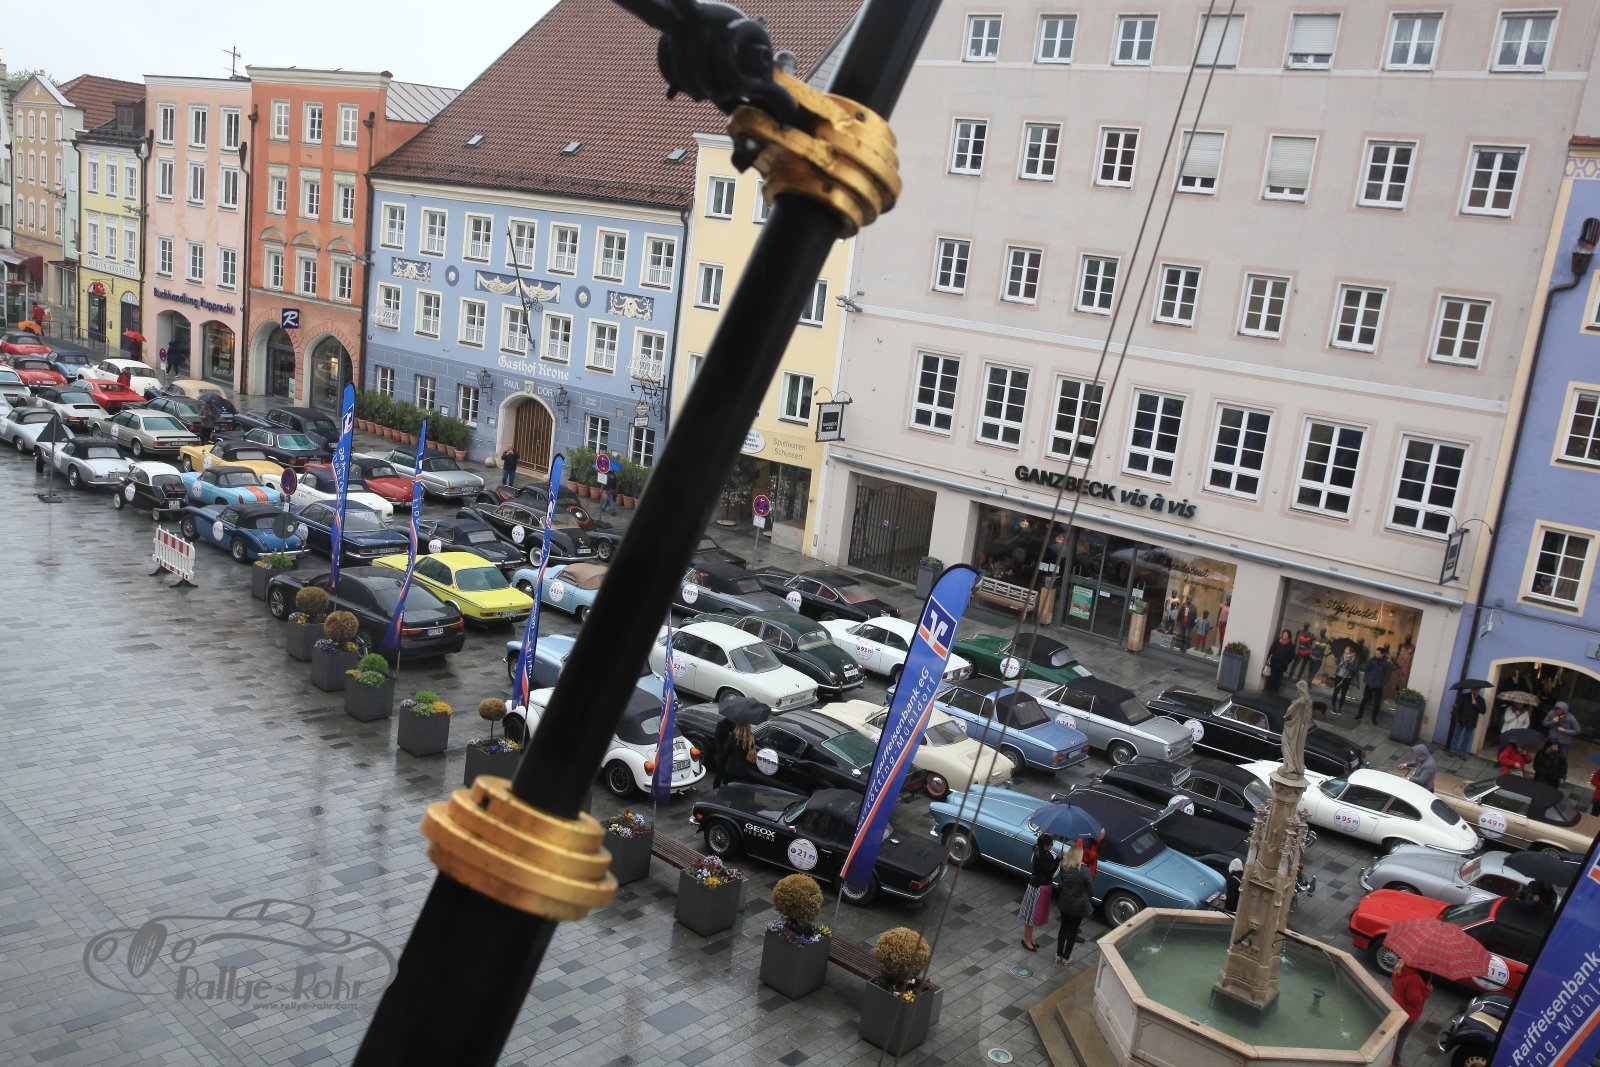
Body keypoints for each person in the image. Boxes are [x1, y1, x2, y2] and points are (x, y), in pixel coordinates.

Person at [1052, 846, 1094, 964]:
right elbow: (1091, 889)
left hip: (1065, 901)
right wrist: (1088, 897)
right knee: (1073, 931)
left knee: (1063, 928)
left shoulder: (1064, 866)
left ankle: (1059, 955)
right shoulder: (1085, 870)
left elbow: (1063, 881)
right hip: (1079, 905)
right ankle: (1066, 957)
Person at [1390, 961, 1433, 1067]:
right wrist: (1427, 991)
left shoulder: (1398, 967)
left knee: (1392, 1033)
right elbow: (1414, 1000)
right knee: (1401, 1037)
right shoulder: (1414, 979)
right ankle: (1395, 1061)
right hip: (1408, 1013)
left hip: (1395, 1004)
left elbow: (1394, 983)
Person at [1018, 833, 1056, 952]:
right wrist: (1058, 860)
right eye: (1051, 844)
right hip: (1036, 887)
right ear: (1045, 845)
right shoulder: (1040, 855)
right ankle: (1026, 939)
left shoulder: (1044, 852)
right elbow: (1049, 871)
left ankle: (1029, 938)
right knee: (1030, 914)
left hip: (1040, 886)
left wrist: (1055, 859)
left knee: (1033, 915)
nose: (1052, 846)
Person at [1358, 646, 1395, 724]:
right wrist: (1366, 679)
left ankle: (1374, 718)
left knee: (1377, 703)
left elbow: (1387, 675)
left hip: (1378, 685)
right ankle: (1359, 714)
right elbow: (1367, 670)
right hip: (1369, 683)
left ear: (1382, 654)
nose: (1376, 655)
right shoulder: (1372, 660)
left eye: (1378, 654)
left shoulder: (1386, 664)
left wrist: (1382, 684)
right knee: (1364, 699)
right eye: (1375, 653)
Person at [1450, 687, 1486, 755]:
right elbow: (1458, 708)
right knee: (1456, 736)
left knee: (1467, 738)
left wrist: (1476, 704)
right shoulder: (1464, 697)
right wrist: (1457, 719)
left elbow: (1483, 711)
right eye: (1475, 689)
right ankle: (1453, 750)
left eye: (1478, 690)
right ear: (1472, 690)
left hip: (1472, 721)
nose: (1477, 691)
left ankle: (1462, 752)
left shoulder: (1481, 700)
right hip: (1461, 719)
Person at [1544, 701, 1580, 769]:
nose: (1557, 711)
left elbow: (1577, 731)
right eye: (1556, 709)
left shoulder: (1571, 718)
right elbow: (1544, 723)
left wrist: (1565, 730)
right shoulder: (1551, 713)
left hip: (1564, 742)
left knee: (1562, 760)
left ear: (1564, 710)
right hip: (1552, 740)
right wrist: (1552, 722)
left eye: (1559, 710)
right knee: (1547, 757)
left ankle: (1560, 774)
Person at [1331, 648, 1358, 714]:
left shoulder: (1355, 658)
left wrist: (1347, 663)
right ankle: (1333, 707)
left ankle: (1340, 708)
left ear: (1350, 651)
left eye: (1346, 649)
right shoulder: (1342, 655)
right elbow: (1337, 663)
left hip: (1347, 677)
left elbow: (1354, 669)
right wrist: (1339, 662)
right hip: (1339, 675)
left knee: (1344, 693)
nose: (1345, 650)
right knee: (1336, 691)